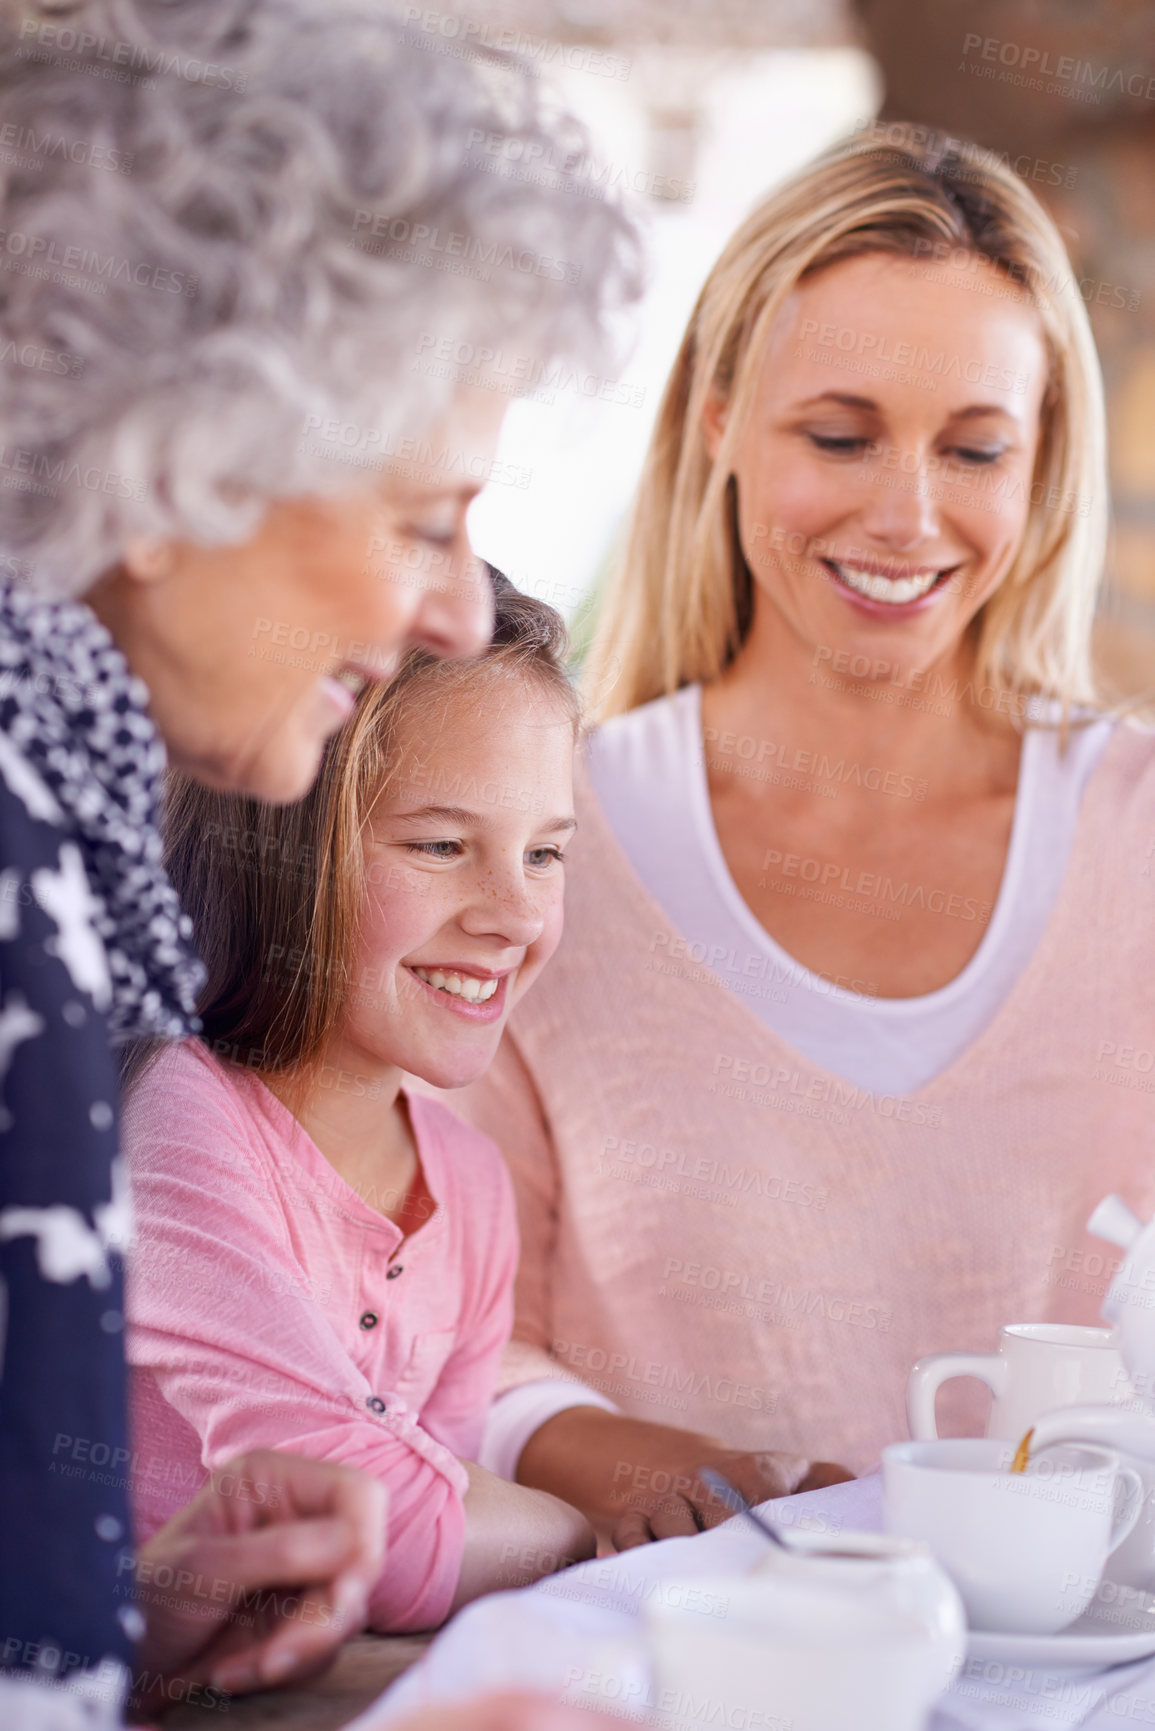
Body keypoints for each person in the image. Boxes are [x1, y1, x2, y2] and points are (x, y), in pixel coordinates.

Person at [0, 0, 637, 1722]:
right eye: (421, 516)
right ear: (174, 461)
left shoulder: (61, 857)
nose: (449, 606)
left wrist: (114, 1617)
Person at [450, 127, 1155, 1543]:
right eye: (836, 435)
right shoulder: (542, 846)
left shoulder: (1133, 831)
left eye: (972, 448)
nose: (903, 516)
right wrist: (632, 1459)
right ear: (716, 414)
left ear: (1040, 464)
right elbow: (438, 1332)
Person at [124, 580, 597, 1633]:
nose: (516, 915)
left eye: (545, 852)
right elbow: (388, 1538)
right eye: (439, 846)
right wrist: (570, 1533)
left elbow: (425, 1569)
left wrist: (470, 1525)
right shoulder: (175, 1119)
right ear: (278, 847)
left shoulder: (469, 1191)